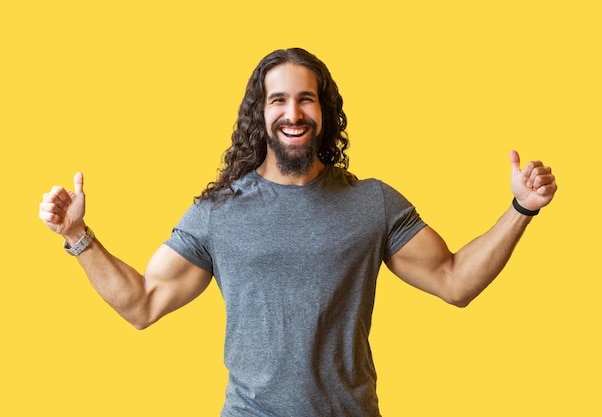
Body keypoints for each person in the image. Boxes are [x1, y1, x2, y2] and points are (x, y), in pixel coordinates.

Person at [39, 48, 557, 416]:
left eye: (306, 100)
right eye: (279, 100)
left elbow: (454, 280)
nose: (293, 113)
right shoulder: (219, 213)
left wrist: (520, 209)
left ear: (323, 112)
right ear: (260, 115)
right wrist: (78, 235)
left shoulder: (371, 202)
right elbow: (143, 303)